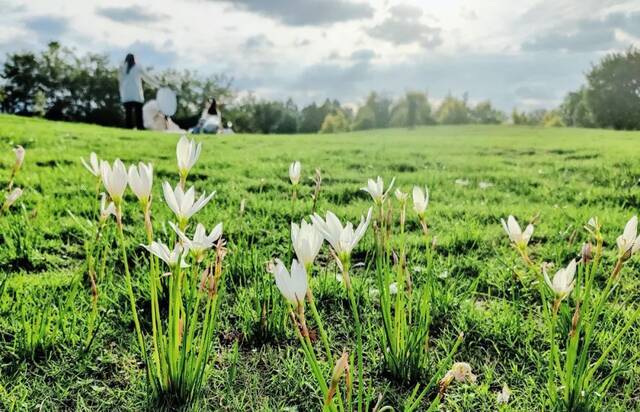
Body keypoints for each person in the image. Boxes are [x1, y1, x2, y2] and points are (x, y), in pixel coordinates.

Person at [118, 53, 159, 129]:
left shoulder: (122, 67)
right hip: (136, 94)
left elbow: (120, 81)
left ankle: (128, 127)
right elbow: (147, 77)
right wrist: (157, 84)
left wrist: (121, 93)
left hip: (126, 94)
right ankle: (140, 127)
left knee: (128, 113)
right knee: (138, 113)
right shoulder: (138, 66)